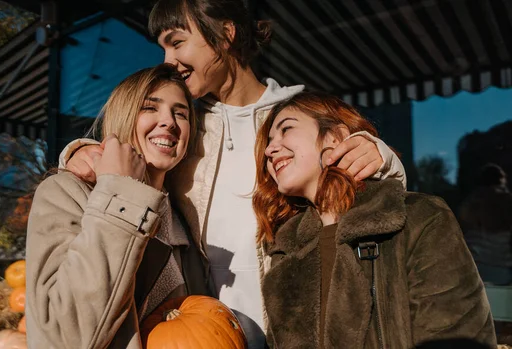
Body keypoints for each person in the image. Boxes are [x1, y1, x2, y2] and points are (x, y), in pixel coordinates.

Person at [58, 0, 406, 346]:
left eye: (177, 42)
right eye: (162, 47)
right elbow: (131, 162)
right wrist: (79, 150)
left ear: (225, 34)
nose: (168, 61)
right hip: (207, 329)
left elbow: (377, 201)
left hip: (299, 326)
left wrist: (383, 157)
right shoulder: (183, 129)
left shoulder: (297, 119)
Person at [253, 91, 496, 348]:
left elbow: (457, 337)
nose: (270, 149)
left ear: (335, 137)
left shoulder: (419, 218)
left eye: (286, 129)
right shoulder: (285, 249)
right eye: (269, 141)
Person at [25, 64, 214, 349]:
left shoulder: (183, 217)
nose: (169, 122)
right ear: (123, 116)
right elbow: (61, 337)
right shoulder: (65, 192)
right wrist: (122, 194)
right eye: (150, 108)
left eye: (181, 113)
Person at [459, 163, 512, 285]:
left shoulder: (470, 203)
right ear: (501, 179)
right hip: (503, 269)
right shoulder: (507, 200)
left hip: (473, 268)